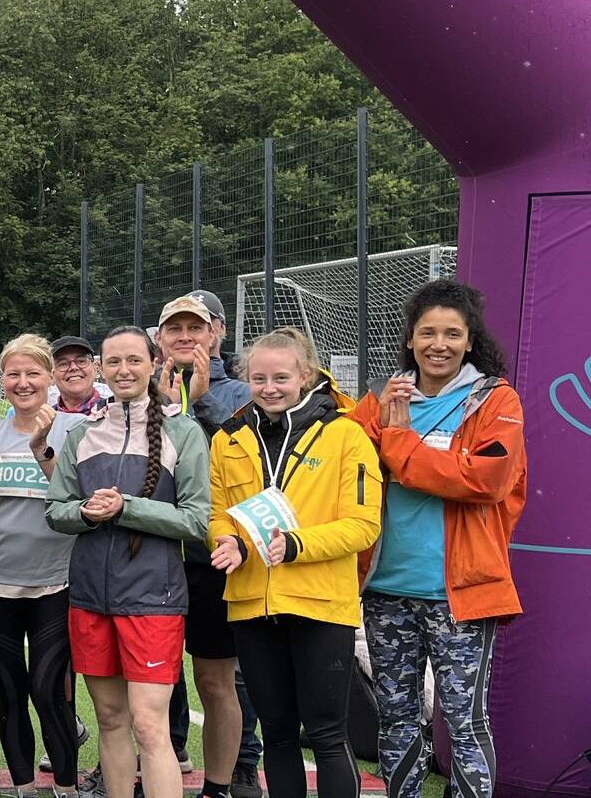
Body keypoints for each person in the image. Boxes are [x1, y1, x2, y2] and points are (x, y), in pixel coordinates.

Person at [347, 279, 526, 798]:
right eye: (427, 332)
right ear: (410, 339)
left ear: (471, 341)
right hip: (385, 593)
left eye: (452, 333)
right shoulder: (382, 399)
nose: (439, 344)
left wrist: (399, 447)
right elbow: (348, 465)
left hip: (460, 596)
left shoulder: (496, 401)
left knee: (466, 725)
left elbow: (484, 480)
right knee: (397, 720)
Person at [209, 328, 383, 798]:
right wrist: (229, 543)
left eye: (281, 377)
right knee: (277, 735)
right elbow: (219, 512)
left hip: (321, 605)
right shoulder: (228, 438)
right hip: (250, 604)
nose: (269, 387)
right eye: (259, 377)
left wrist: (298, 544)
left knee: (327, 736)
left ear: (306, 376)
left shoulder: (347, 435)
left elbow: (364, 525)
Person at [45, 325, 212, 798]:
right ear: (100, 367)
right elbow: (56, 510)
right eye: (113, 361)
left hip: (152, 598)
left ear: (153, 363)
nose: (123, 370)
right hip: (90, 598)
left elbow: (197, 521)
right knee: (111, 720)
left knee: (149, 725)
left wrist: (128, 508)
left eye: (133, 360)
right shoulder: (83, 433)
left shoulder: (183, 431)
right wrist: (84, 512)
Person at [0, 335, 87, 797]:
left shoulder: (75, 431)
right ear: (2, 380)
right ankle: (22, 786)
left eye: (32, 373)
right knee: (9, 690)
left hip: (54, 583)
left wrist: (42, 447)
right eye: (13, 374)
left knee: (48, 690)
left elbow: (76, 502)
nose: (23, 383)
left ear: (50, 377)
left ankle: (65, 785)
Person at [156, 295, 257, 796]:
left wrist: (198, 401)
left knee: (217, 681)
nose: (185, 336)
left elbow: (250, 458)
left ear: (214, 334)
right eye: (174, 328)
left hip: (211, 559)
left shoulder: (241, 390)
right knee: (150, 681)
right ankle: (158, 767)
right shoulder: (142, 388)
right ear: (160, 338)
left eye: (194, 327)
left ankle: (222, 781)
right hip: (149, 558)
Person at [50, 336, 108, 416]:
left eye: (81, 361)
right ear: (51, 375)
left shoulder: (116, 415)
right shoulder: (44, 423)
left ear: (95, 368)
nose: (73, 367)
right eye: (63, 364)